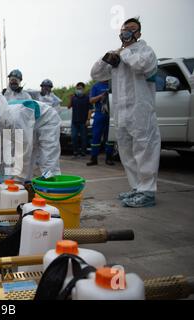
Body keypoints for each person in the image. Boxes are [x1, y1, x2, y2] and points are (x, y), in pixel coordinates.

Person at [91, 17, 160, 208]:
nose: (127, 32)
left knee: (144, 150)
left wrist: (125, 54)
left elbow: (142, 66)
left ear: (138, 33)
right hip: (121, 113)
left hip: (140, 111)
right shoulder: (117, 55)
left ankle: (148, 191)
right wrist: (107, 57)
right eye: (124, 29)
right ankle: (137, 187)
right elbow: (96, 74)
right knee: (126, 151)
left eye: (132, 29)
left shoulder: (145, 51)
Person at [0, 92, 61, 183]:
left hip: (46, 119)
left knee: (47, 159)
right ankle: (27, 189)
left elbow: (24, 150)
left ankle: (53, 189)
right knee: (27, 163)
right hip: (29, 123)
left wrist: (17, 180)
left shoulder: (13, 120)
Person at [87, 80, 115, 166]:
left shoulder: (114, 84)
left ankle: (109, 158)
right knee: (96, 136)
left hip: (111, 114)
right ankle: (94, 158)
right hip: (99, 113)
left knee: (110, 137)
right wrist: (100, 96)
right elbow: (91, 100)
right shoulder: (96, 86)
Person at [68, 82, 91, 157]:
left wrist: (88, 119)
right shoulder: (74, 97)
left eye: (80, 88)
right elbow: (68, 106)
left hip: (83, 121)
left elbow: (90, 109)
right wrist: (70, 99)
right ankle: (75, 151)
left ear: (83, 89)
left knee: (83, 138)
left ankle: (83, 152)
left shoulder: (87, 97)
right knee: (74, 137)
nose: (78, 90)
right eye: (77, 88)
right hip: (74, 121)